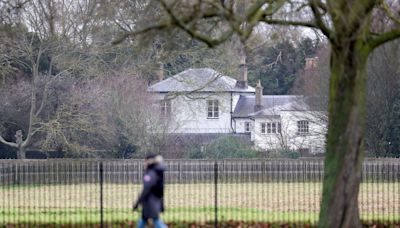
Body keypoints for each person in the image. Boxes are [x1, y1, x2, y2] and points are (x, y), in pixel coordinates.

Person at [133, 154, 167, 228]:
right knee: (145, 221)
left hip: (150, 202)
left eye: (145, 161)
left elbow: (146, 189)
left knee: (155, 221)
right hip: (154, 201)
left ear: (148, 161)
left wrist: (137, 203)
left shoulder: (151, 173)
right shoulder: (156, 171)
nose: (144, 163)